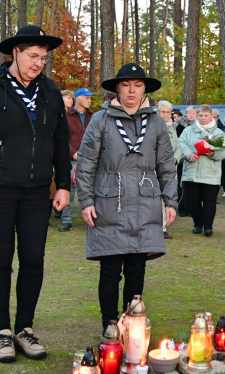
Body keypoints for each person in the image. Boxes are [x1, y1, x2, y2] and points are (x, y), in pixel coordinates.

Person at [0, 25, 71, 363]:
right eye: (33, 56)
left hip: (37, 191)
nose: (38, 63)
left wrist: (64, 184)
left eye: (43, 57)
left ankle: (25, 328)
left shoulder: (50, 92)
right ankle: (3, 331)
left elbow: (61, 142)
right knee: (1, 257)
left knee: (33, 259)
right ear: (15, 54)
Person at [74, 63, 176, 332]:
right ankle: (109, 326)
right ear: (117, 88)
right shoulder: (101, 120)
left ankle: (131, 324)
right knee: (109, 269)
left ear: (145, 90)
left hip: (145, 202)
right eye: (126, 85)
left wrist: (171, 200)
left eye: (138, 85)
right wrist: (85, 200)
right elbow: (85, 163)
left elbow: (166, 163)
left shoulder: (155, 122)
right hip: (109, 202)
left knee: (136, 269)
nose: (132, 90)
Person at [179, 105, 225, 236]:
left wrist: (214, 154)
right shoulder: (188, 131)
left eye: (206, 115)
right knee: (193, 201)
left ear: (211, 116)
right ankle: (197, 224)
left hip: (211, 173)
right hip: (192, 171)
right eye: (200, 115)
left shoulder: (218, 133)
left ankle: (208, 226)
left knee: (209, 201)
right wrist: (189, 154)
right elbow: (181, 144)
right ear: (197, 116)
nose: (203, 118)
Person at [60, 88, 93, 232]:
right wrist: (73, 153)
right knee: (70, 189)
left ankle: (92, 219)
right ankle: (67, 220)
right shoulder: (66, 116)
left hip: (91, 159)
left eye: (89, 98)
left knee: (92, 189)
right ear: (78, 99)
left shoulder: (94, 116)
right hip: (73, 159)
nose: (90, 100)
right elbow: (62, 138)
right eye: (87, 97)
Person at [156, 100, 181, 240]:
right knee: (156, 198)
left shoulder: (173, 127)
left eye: (168, 112)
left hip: (171, 167)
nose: (166, 115)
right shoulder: (153, 125)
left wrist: (175, 158)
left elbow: (178, 146)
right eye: (163, 112)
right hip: (158, 167)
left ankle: (163, 227)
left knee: (167, 196)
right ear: (158, 112)